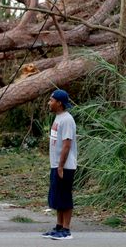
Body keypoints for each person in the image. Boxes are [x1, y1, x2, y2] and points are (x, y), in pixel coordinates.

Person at [42, 89, 77, 240]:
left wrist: (61, 166)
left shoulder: (67, 120)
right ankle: (59, 226)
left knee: (64, 196)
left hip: (65, 166)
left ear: (59, 103)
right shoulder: (58, 118)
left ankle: (66, 230)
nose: (49, 103)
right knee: (57, 197)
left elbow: (67, 145)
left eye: (51, 100)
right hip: (56, 164)